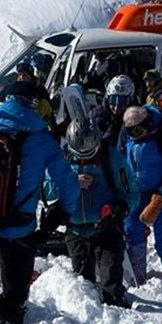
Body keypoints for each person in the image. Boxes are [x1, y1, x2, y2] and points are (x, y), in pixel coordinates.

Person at [0, 80, 78, 324]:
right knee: (15, 286)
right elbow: (67, 181)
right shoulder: (41, 139)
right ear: (35, 104)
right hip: (18, 227)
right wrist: (61, 212)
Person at [61, 118, 137, 308]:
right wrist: (72, 183)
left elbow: (131, 191)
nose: (84, 158)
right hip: (76, 230)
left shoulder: (111, 158)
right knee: (82, 286)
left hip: (106, 227)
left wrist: (121, 208)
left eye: (89, 153)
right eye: (80, 154)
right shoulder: (62, 160)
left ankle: (119, 314)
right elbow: (47, 190)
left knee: (111, 278)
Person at [122, 104, 162, 297]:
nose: (135, 135)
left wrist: (160, 199)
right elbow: (120, 157)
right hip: (135, 193)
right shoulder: (127, 133)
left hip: (159, 195)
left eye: (139, 131)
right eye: (131, 132)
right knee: (132, 235)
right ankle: (137, 279)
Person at [89, 74, 136, 148]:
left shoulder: (135, 119)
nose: (116, 107)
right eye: (113, 99)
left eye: (122, 101)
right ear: (108, 98)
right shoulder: (96, 116)